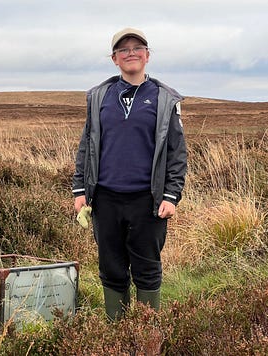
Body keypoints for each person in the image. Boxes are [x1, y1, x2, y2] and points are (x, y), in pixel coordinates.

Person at [72, 27, 187, 321]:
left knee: (147, 268)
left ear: (147, 56)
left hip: (147, 202)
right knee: (111, 268)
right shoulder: (100, 97)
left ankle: (146, 335)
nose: (131, 53)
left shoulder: (164, 99)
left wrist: (172, 196)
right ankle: (118, 333)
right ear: (114, 59)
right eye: (123, 50)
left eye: (137, 48)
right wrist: (80, 190)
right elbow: (87, 144)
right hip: (106, 199)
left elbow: (176, 153)